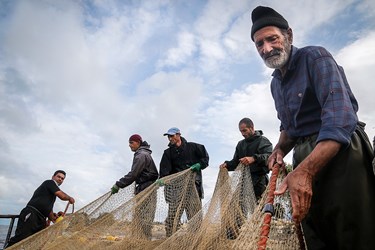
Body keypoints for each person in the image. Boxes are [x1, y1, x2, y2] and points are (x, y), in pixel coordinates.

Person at [250, 6, 375, 249]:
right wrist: (279, 149)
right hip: (304, 154)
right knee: (315, 232)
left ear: (289, 35)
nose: (266, 49)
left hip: (342, 151)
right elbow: (289, 127)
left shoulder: (315, 57)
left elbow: (340, 119)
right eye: (259, 44)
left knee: (353, 233)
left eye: (272, 38)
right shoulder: (276, 84)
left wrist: (305, 172)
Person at [159, 127, 209, 237]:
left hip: (193, 188)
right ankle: (171, 239)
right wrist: (162, 179)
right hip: (176, 190)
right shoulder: (168, 153)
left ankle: (196, 239)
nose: (169, 138)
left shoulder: (194, 147)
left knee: (195, 215)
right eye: (168, 136)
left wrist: (199, 165)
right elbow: (164, 171)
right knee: (173, 216)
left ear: (178, 135)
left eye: (171, 136)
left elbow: (205, 159)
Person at [5, 170, 75, 248]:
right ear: (53, 177)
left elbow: (49, 211)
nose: (60, 179)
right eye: (58, 177)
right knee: (20, 239)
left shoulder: (51, 194)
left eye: (62, 179)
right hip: (32, 214)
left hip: (41, 219)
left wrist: (55, 216)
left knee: (36, 242)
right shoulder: (49, 183)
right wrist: (70, 198)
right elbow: (61, 195)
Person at [110, 134, 159, 239]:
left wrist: (118, 184)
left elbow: (133, 174)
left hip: (147, 189)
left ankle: (144, 243)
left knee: (145, 219)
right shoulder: (142, 154)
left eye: (131, 142)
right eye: (129, 143)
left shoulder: (141, 155)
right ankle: (141, 241)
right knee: (140, 218)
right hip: (144, 188)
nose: (129, 145)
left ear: (138, 142)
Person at [220, 117, 273, 200]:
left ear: (252, 128)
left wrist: (254, 158)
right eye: (241, 131)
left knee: (260, 210)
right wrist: (227, 165)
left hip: (260, 183)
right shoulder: (240, 144)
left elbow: (270, 157)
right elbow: (236, 163)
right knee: (237, 208)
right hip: (244, 183)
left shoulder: (263, 140)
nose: (242, 134)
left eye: (245, 130)